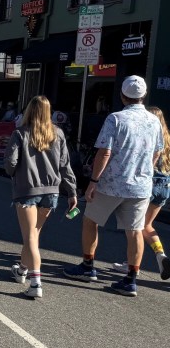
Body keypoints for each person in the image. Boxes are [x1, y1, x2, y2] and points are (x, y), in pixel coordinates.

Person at [64, 76, 164, 296]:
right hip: (140, 186)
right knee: (135, 231)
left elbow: (104, 152)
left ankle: (88, 266)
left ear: (122, 95)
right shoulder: (154, 121)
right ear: (143, 96)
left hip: (112, 183)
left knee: (90, 221)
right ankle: (131, 279)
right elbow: (157, 151)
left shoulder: (115, 119)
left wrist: (93, 182)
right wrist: (145, 168)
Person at [4, 96, 77, 298]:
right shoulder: (58, 134)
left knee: (30, 237)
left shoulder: (20, 133)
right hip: (51, 191)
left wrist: (14, 172)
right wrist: (72, 191)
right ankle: (21, 270)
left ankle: (36, 282)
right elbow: (65, 166)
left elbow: (10, 163)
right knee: (33, 234)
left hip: (27, 190)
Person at [113, 106, 170, 280]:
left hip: (148, 184)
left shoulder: (149, 137)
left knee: (134, 226)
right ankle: (161, 257)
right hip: (165, 185)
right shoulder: (167, 139)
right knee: (146, 226)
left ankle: (131, 264)